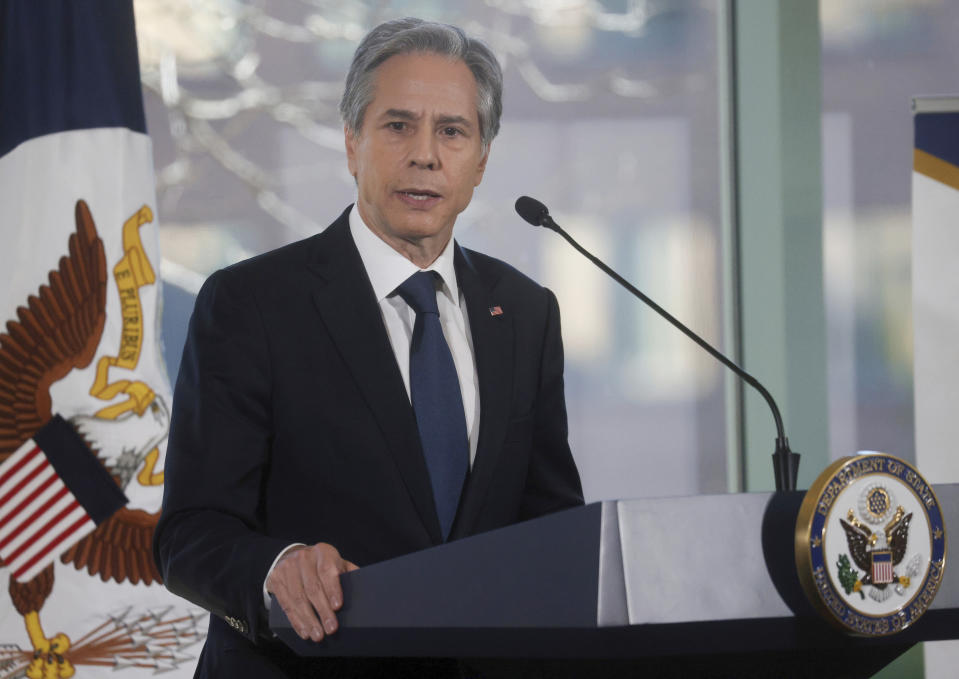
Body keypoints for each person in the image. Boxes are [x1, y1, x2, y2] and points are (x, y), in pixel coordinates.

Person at [153, 16, 583, 678]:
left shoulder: (524, 313)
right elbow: (188, 534)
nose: (424, 154)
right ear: (351, 141)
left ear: (480, 160)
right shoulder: (252, 303)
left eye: (451, 131)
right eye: (397, 125)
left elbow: (551, 530)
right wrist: (278, 567)